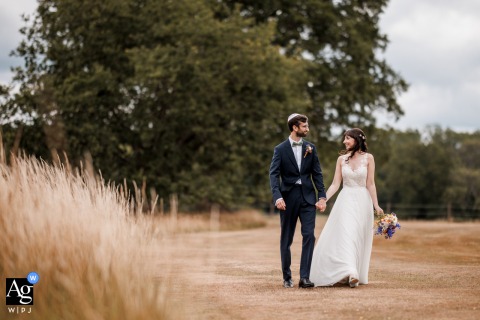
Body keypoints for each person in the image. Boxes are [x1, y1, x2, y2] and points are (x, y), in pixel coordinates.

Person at [309, 128, 384, 288]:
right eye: (344, 139)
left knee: (357, 236)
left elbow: (370, 184)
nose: (344, 141)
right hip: (345, 200)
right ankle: (351, 272)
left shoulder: (369, 158)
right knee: (346, 234)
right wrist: (323, 199)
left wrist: (376, 204)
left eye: (348, 138)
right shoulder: (341, 160)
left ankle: (352, 271)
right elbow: (336, 184)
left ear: (357, 140)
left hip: (363, 202)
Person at [269, 113, 327, 289]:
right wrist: (277, 196)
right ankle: (287, 277)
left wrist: (322, 196)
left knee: (309, 235)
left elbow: (317, 173)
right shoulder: (280, 149)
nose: (307, 129)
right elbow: (273, 175)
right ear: (295, 127)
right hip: (287, 199)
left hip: (308, 198)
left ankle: (305, 277)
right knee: (286, 239)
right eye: (304, 126)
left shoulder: (311, 148)